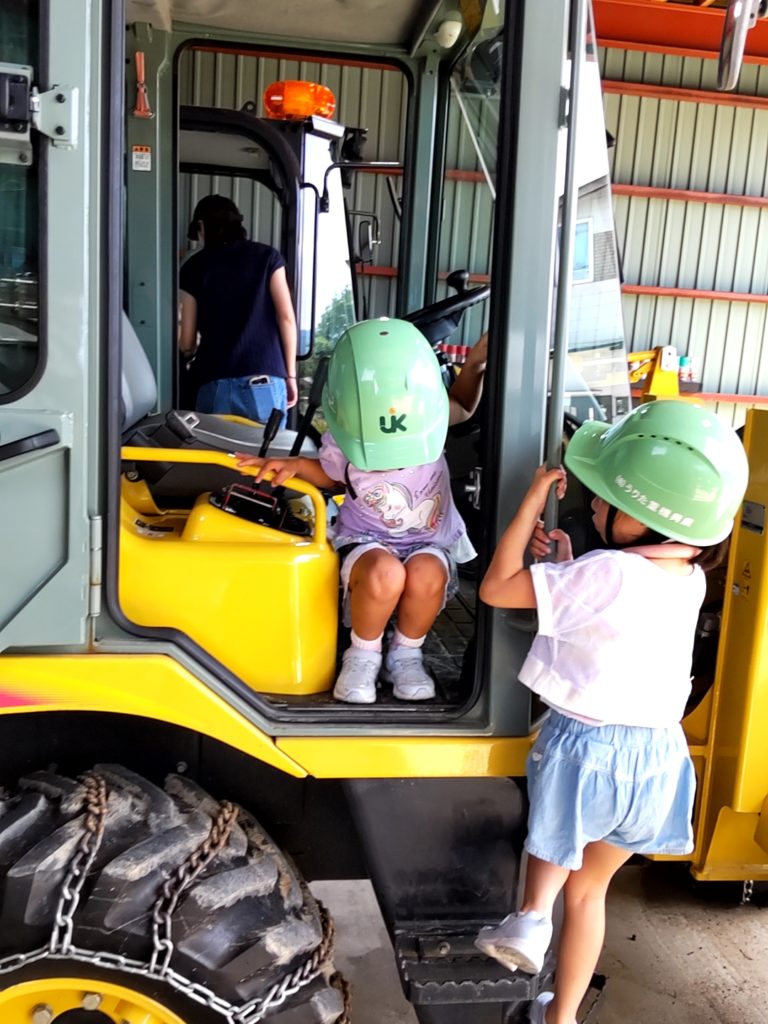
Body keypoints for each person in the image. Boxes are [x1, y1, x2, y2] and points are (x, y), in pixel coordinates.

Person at [474, 400, 748, 1024]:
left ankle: (530, 918)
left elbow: (495, 589)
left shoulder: (607, 572)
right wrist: (566, 566)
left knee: (554, 846)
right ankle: (562, 1016)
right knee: (590, 891)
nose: (594, 504)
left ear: (644, 516)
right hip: (658, 759)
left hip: (587, 747)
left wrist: (529, 503)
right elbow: (613, 620)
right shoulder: (689, 579)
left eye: (606, 497)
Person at [237, 318, 488, 704]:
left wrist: (473, 366)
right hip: (366, 539)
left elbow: (465, 407)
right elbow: (333, 478)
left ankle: (405, 654)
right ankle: (363, 655)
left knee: (428, 575)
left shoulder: (432, 420)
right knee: (385, 573)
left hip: (427, 540)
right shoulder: (345, 438)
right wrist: (294, 467)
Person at [178, 194, 298, 422]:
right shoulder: (268, 257)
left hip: (214, 382)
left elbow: (187, 342)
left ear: (202, 226)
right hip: (264, 380)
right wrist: (290, 375)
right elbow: (286, 318)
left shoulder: (194, 266)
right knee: (265, 446)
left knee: (214, 446)